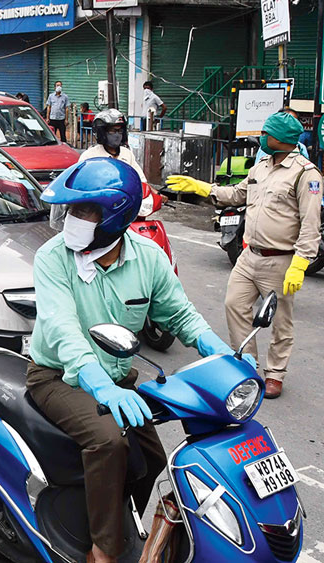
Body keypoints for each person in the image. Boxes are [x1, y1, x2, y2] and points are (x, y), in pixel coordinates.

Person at [31, 157, 251, 563]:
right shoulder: (52, 257)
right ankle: (104, 550)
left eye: (85, 210)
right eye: (72, 210)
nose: (73, 219)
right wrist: (99, 385)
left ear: (116, 214)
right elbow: (63, 329)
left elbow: (180, 315)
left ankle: (113, 516)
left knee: (151, 458)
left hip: (118, 377)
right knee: (109, 443)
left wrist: (220, 352)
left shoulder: (149, 257)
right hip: (58, 376)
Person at [168, 112, 323, 399]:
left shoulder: (306, 174)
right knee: (233, 305)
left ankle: (275, 373)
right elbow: (237, 195)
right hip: (248, 255)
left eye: (267, 132)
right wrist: (202, 188)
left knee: (280, 321)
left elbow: (311, 225)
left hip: (281, 259)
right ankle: (248, 364)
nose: (262, 137)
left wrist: (300, 264)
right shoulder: (260, 166)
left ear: (282, 138)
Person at [77, 108, 162, 213]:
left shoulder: (127, 154)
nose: (117, 135)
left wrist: (157, 194)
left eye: (119, 130)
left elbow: (141, 181)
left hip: (126, 207)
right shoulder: (90, 156)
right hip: (98, 210)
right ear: (102, 132)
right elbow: (80, 185)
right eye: (113, 131)